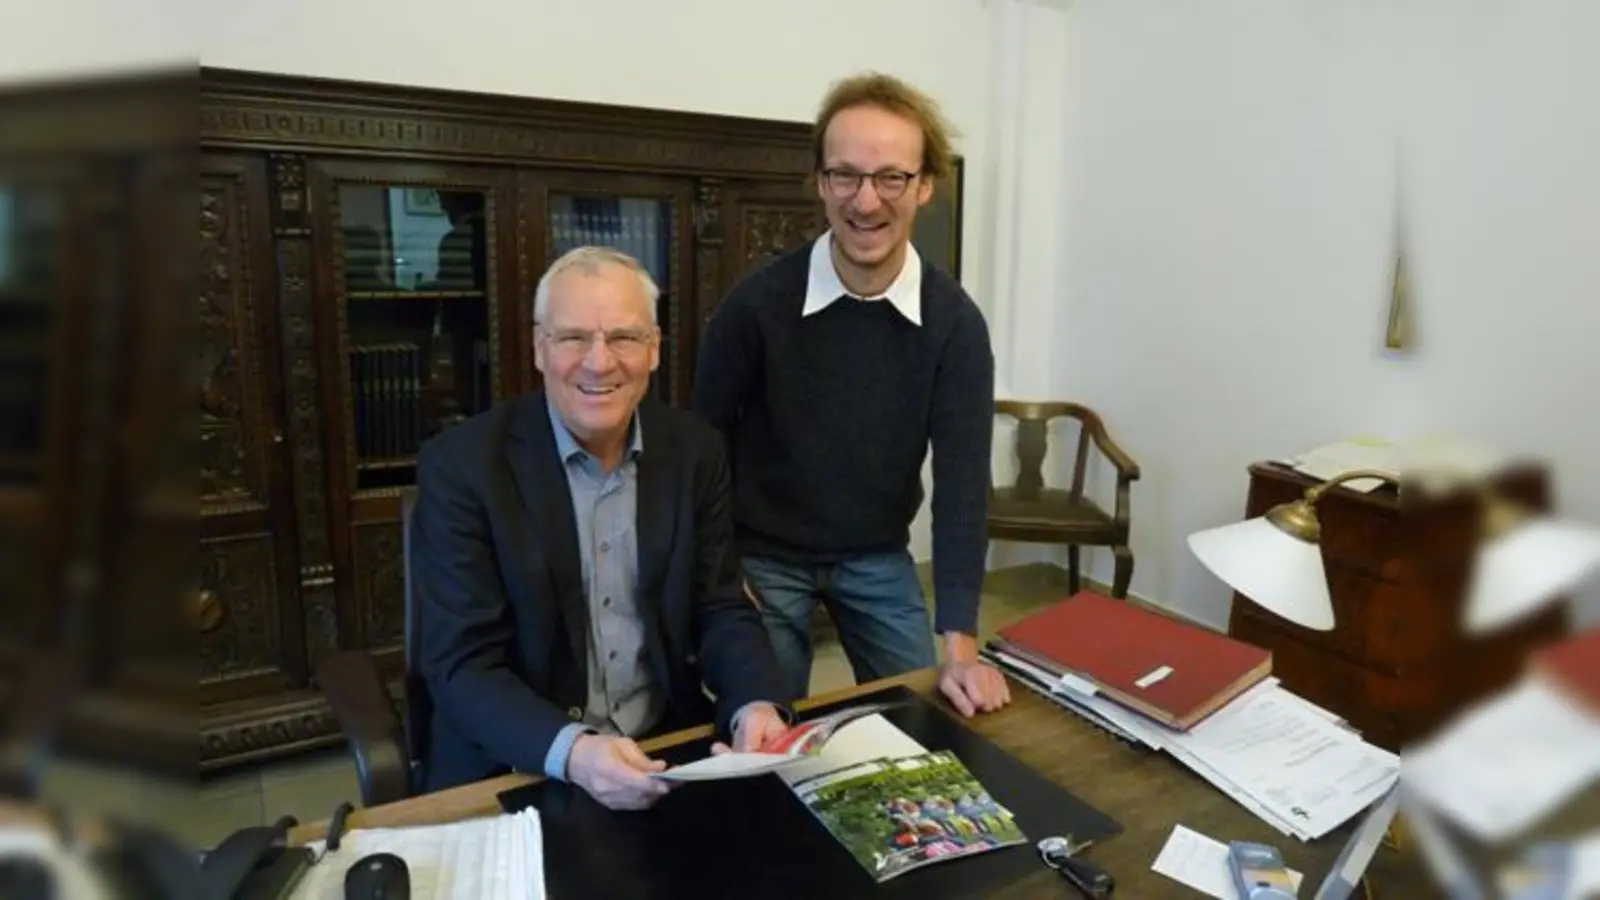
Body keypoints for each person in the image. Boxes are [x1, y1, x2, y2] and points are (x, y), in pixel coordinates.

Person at [413, 246, 792, 810]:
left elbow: (719, 605)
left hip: (662, 754)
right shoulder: (462, 466)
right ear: (540, 348)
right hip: (517, 766)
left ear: (654, 348)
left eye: (623, 337)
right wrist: (574, 752)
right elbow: (463, 665)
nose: (599, 362)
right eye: (573, 338)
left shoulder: (695, 451)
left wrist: (754, 703)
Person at [691, 73, 1011, 718]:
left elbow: (962, 487)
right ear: (820, 181)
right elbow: (700, 450)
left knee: (926, 715)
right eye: (845, 176)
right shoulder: (755, 304)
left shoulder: (955, 326)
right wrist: (720, 574)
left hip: (876, 553)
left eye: (891, 177)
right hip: (763, 555)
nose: (866, 202)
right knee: (766, 727)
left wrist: (960, 645)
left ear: (925, 185)